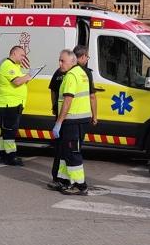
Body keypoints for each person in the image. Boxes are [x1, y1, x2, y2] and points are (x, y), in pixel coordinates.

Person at [52, 49, 92, 196]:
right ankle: (64, 180)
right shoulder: (82, 73)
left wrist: (59, 122)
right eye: (59, 60)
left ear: (72, 61)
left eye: (62, 61)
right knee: (66, 152)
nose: (60, 63)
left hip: (72, 121)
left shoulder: (70, 76)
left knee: (72, 153)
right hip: (79, 120)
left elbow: (67, 101)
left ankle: (80, 185)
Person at [0, 45, 31, 166]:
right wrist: (27, 76)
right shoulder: (7, 65)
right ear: (14, 53)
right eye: (22, 55)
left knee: (6, 131)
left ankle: (3, 154)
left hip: (13, 104)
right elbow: (16, 82)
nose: (23, 58)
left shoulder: (15, 66)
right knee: (10, 132)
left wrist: (24, 77)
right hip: (9, 105)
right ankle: (11, 156)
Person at [47, 61, 66, 190]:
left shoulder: (59, 72)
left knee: (60, 147)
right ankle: (60, 178)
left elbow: (52, 91)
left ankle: (58, 177)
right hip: (67, 115)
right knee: (63, 148)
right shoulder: (72, 74)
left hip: (60, 113)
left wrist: (54, 106)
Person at [73, 45, 98, 127]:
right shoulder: (86, 73)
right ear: (83, 56)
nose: (87, 59)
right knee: (77, 139)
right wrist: (94, 116)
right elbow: (92, 96)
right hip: (80, 116)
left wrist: (55, 108)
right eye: (87, 56)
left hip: (64, 114)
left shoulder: (62, 70)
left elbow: (54, 91)